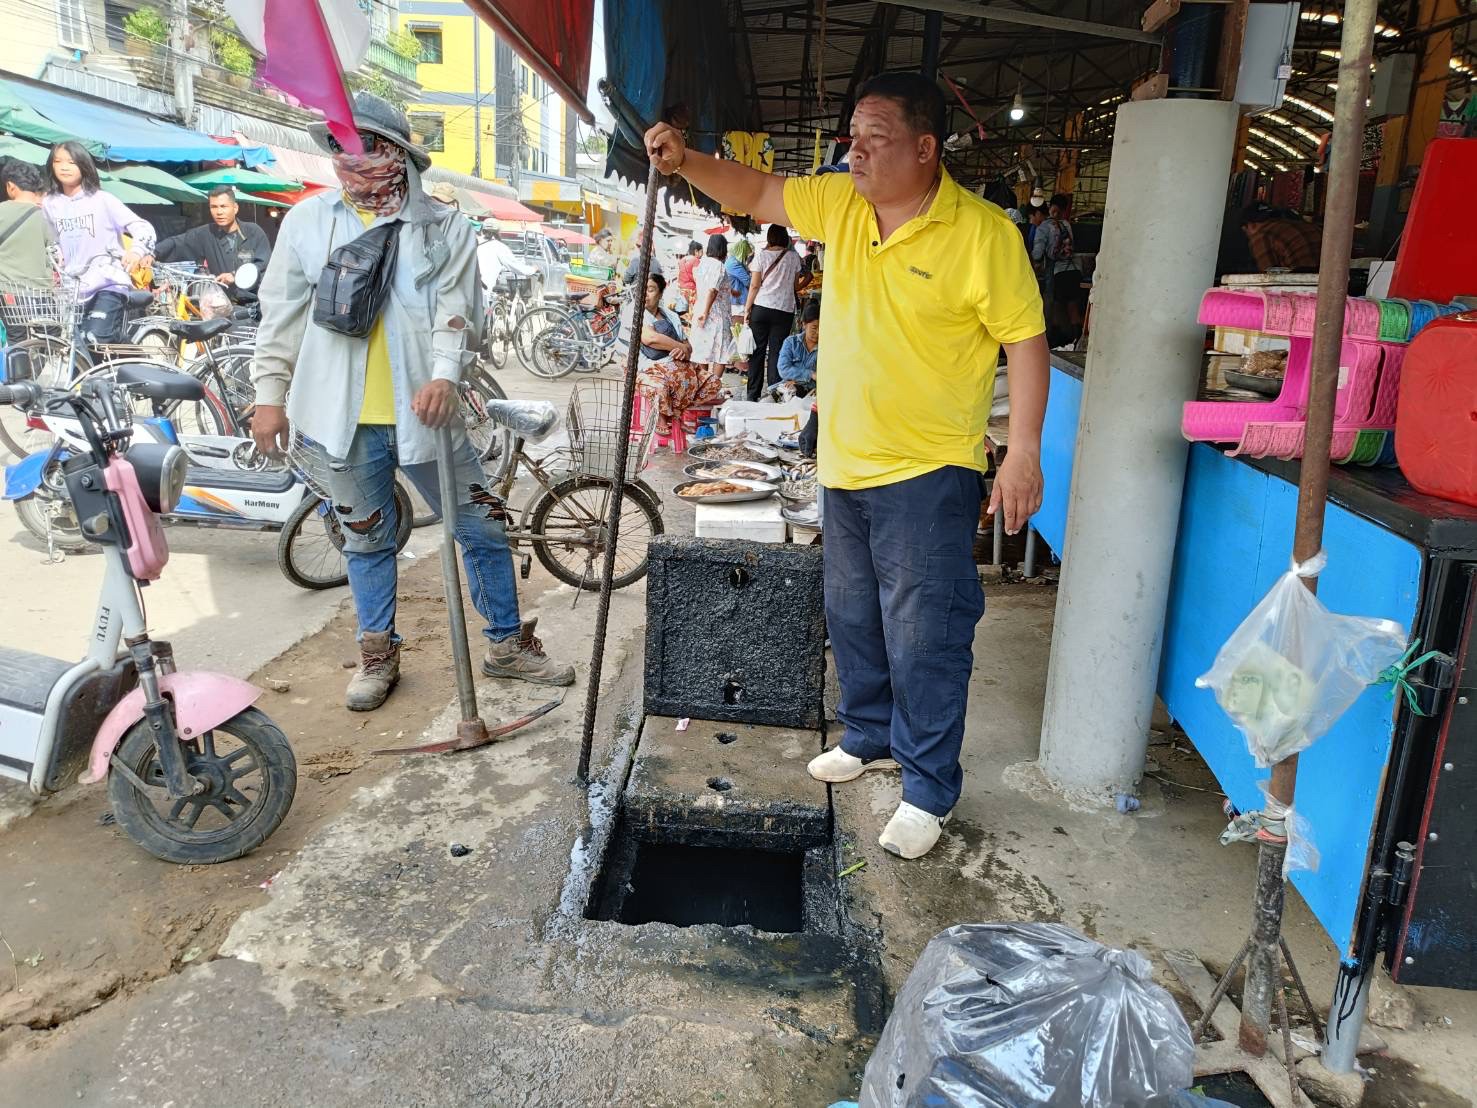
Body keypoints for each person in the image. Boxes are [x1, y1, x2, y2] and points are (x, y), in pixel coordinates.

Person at [645, 71, 1049, 860]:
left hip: (928, 468)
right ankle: (868, 734)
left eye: (875, 138)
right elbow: (756, 190)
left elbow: (1025, 345)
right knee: (854, 614)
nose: (855, 153)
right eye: (851, 138)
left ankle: (927, 787)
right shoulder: (841, 204)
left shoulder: (982, 235)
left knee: (925, 633)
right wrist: (686, 161)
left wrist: (1024, 451)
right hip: (844, 461)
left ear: (925, 148)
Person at [250, 92, 575, 711]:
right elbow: (280, 314)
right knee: (366, 540)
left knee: (481, 525)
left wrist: (446, 375)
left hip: (430, 415)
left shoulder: (442, 226)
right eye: (341, 144)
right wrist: (270, 396)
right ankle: (378, 654)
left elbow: (457, 311)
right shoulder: (309, 221)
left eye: (366, 144)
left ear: (396, 151)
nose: (353, 158)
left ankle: (506, 644)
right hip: (341, 419)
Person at [42, 140, 156, 342]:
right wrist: (55, 259)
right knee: (75, 345)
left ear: (84, 165)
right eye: (58, 161)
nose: (64, 167)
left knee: (96, 337)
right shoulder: (49, 204)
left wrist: (136, 251)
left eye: (71, 162)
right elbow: (52, 241)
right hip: (72, 289)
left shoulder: (102, 199)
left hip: (108, 283)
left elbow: (143, 226)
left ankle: (135, 357)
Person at [632, 273, 723, 436]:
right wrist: (680, 346)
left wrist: (683, 350)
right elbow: (650, 338)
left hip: (678, 368)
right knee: (659, 387)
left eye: (651, 290)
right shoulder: (635, 312)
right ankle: (664, 418)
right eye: (642, 290)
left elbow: (688, 347)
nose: (645, 294)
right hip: (647, 369)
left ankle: (675, 415)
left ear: (660, 293)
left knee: (713, 382)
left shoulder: (672, 316)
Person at [153, 185, 272, 288]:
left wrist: (235, 275)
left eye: (223, 206)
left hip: (255, 300)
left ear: (235, 208)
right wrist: (153, 253)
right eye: (214, 207)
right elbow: (177, 243)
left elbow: (262, 265)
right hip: (223, 301)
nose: (219, 212)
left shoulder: (253, 232)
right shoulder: (206, 233)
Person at [742, 222, 803, 401]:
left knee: (757, 353)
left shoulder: (761, 256)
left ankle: (752, 395)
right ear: (785, 238)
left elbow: (754, 285)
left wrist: (747, 308)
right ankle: (774, 395)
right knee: (777, 352)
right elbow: (794, 285)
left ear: (769, 237)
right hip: (784, 310)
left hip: (761, 308)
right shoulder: (794, 257)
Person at [1031, 193, 1083, 344]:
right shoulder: (1067, 225)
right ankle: (1077, 340)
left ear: (1050, 207)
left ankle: (1055, 340)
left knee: (1054, 306)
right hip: (1074, 270)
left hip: (1056, 272)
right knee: (1073, 306)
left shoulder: (1044, 227)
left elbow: (1038, 253)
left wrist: (1034, 261)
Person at [0, 157, 55, 290]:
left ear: (10, 186)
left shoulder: (2, 210)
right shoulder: (47, 216)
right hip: (40, 293)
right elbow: (54, 254)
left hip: (7, 293)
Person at [687, 233, 733, 374]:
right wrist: (706, 313)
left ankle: (704, 381)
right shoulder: (719, 265)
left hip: (701, 309)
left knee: (703, 349)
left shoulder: (702, 264)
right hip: (716, 313)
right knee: (721, 351)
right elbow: (712, 290)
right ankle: (715, 383)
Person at [776, 299, 820, 396]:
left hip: (812, 393)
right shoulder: (791, 342)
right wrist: (810, 374)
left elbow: (824, 378)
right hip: (787, 388)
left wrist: (797, 382)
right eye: (814, 328)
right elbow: (783, 369)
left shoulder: (825, 349)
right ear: (804, 324)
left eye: (821, 328)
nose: (818, 332)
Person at [676, 239, 702, 304]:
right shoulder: (696, 260)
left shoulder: (682, 260)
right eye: (701, 252)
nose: (702, 254)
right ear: (696, 251)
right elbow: (696, 278)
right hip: (691, 291)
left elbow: (678, 275)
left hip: (681, 290)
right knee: (691, 309)